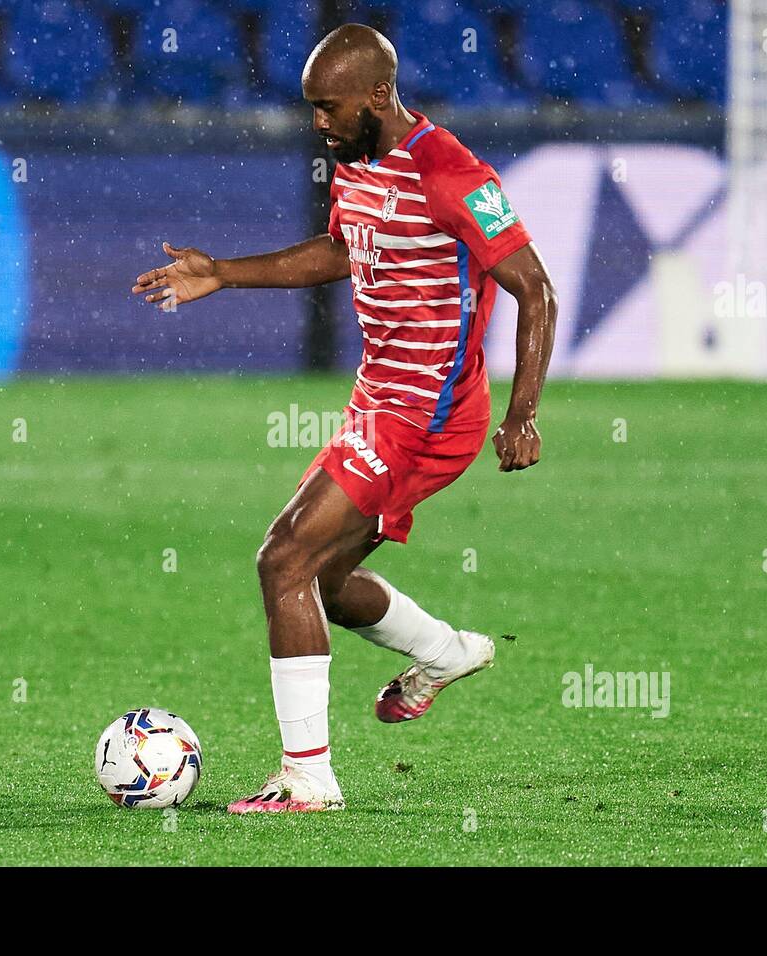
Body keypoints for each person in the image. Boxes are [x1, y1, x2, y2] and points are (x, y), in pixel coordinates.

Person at [132, 24, 558, 813]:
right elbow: (341, 252)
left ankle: (307, 777)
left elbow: (536, 290)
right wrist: (221, 274)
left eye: (328, 108)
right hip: (379, 402)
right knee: (320, 580)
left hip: (427, 415)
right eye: (311, 110)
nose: (319, 124)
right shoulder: (357, 165)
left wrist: (522, 415)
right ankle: (445, 654)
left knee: (282, 560)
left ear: (376, 94)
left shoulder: (452, 173)